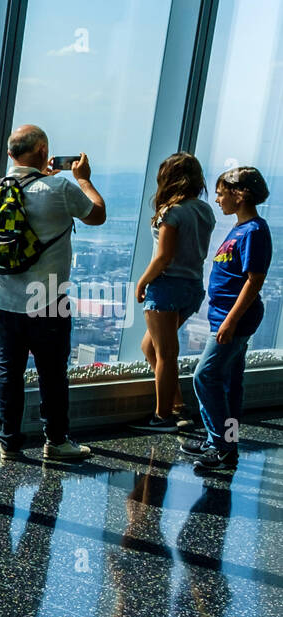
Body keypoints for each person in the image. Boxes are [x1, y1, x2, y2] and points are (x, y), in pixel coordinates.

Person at [0, 124, 106, 463]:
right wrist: (84, 179)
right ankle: (56, 441)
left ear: (10, 155)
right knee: (51, 371)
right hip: (47, 298)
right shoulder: (59, 188)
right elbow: (97, 214)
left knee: (9, 368)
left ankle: (9, 442)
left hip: (0, 296)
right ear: (44, 152)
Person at [182, 166, 272, 471]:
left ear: (239, 194)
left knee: (204, 376)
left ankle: (220, 446)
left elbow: (254, 280)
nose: (217, 199)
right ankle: (224, 442)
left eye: (221, 192)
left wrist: (231, 322)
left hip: (234, 319)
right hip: (224, 316)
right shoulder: (240, 228)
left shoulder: (254, 232)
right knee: (231, 383)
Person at [133, 152, 216, 432]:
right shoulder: (204, 210)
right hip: (192, 287)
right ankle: (178, 406)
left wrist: (142, 281)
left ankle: (162, 416)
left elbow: (163, 257)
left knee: (166, 353)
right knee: (150, 347)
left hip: (167, 286)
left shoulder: (172, 212)